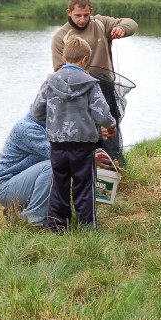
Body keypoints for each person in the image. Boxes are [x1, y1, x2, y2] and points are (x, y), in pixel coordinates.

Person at [33, 36, 117, 232]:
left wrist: (53, 119)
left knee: (59, 185)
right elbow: (102, 113)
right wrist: (111, 126)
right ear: (85, 60)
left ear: (64, 57)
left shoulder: (50, 81)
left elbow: (37, 110)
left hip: (57, 145)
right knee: (84, 186)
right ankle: (88, 228)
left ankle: (57, 226)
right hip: (83, 145)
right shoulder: (91, 83)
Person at [51, 0, 136, 166]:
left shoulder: (100, 23)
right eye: (78, 15)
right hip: (79, 93)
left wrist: (121, 29)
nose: (82, 19)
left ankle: (114, 166)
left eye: (85, 15)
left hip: (105, 88)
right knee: (88, 133)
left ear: (91, 11)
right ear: (69, 12)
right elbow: (59, 72)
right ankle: (89, 170)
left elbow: (131, 24)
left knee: (110, 130)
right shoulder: (59, 37)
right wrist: (82, 77)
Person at [0, 110, 114, 227]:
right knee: (52, 166)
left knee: (56, 166)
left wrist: (94, 132)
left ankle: (16, 215)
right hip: (5, 187)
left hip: (20, 183)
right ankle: (34, 219)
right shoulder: (28, 128)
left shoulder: (50, 126)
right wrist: (88, 157)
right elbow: (59, 156)